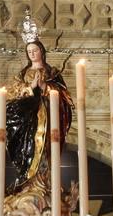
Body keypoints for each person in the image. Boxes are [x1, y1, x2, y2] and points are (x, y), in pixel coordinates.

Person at [5, 35, 72, 205]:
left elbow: (64, 97)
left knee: (47, 149)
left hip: (49, 119)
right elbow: (11, 94)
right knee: (29, 149)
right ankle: (29, 182)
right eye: (29, 51)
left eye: (35, 50)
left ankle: (45, 181)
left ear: (41, 51)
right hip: (28, 120)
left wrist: (45, 87)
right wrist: (30, 87)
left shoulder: (52, 73)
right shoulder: (23, 74)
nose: (32, 54)